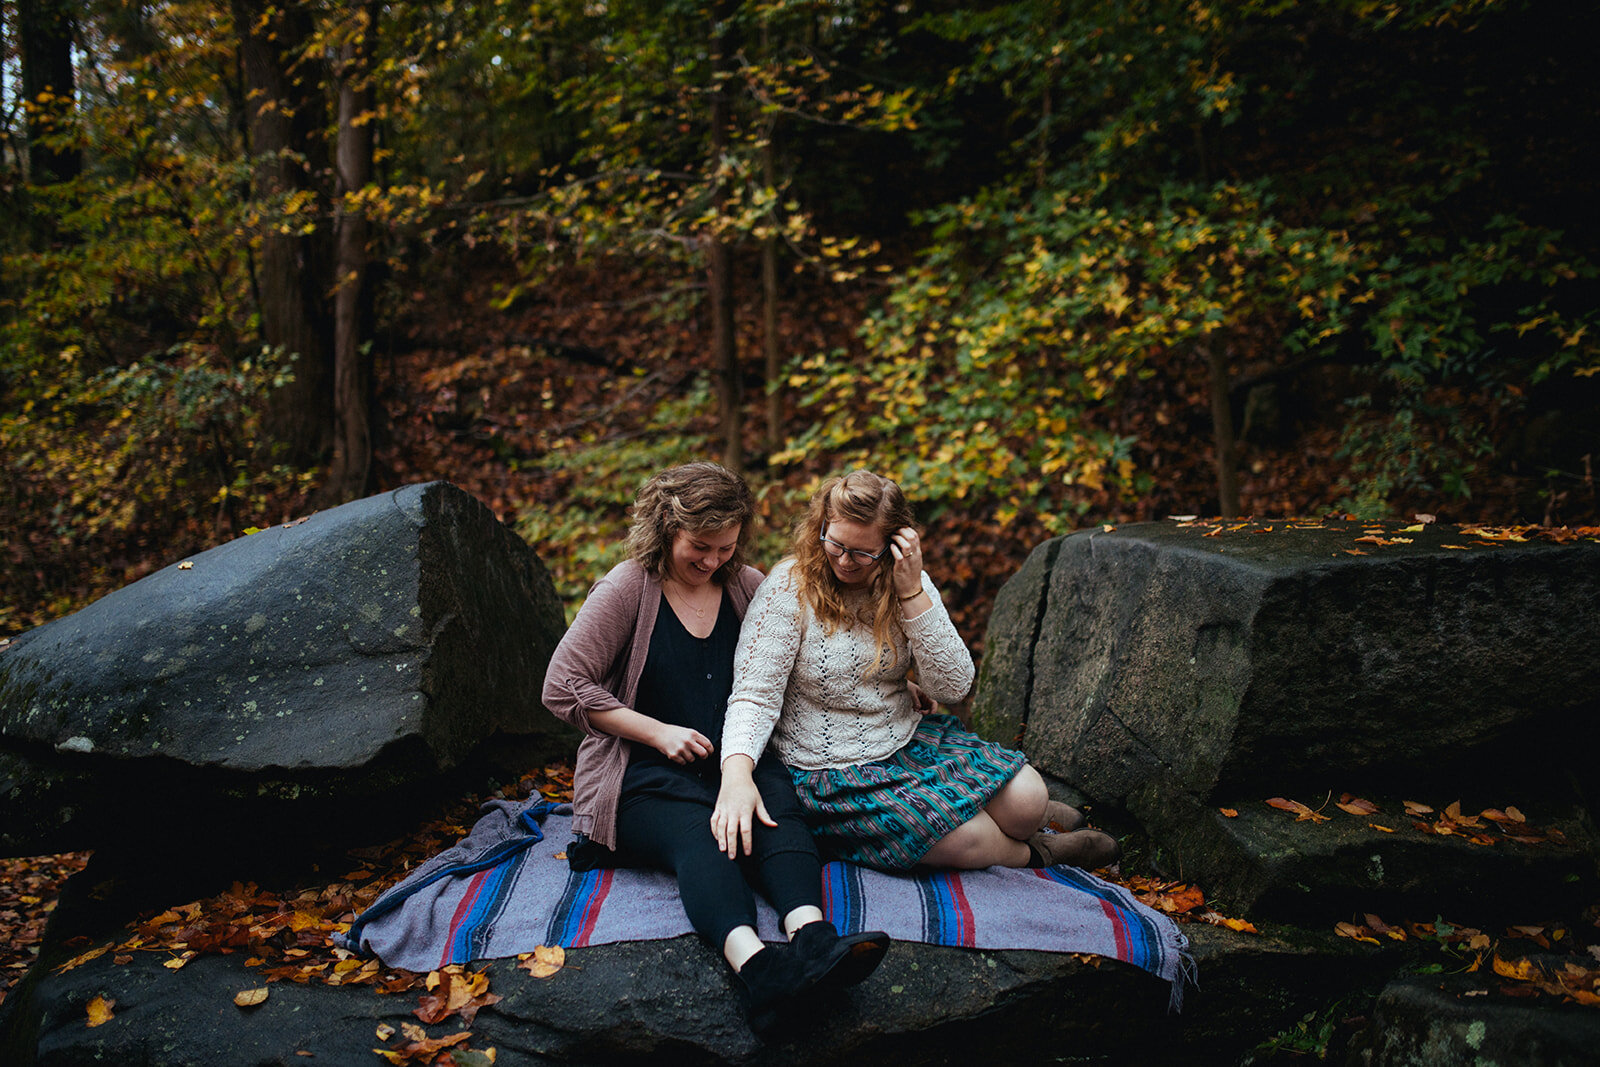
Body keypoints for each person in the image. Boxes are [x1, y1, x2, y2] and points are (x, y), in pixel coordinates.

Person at [541, 462, 888, 1030]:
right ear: (664, 530)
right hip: (640, 774)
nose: (711, 561)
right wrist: (656, 730)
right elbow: (562, 686)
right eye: (699, 547)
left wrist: (901, 686)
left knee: (777, 811)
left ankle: (814, 938)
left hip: (728, 760)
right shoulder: (629, 587)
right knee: (702, 837)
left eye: (725, 548)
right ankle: (758, 970)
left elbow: (819, 657)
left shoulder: (747, 586)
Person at [714, 469, 1120, 873]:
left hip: (903, 741)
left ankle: (1030, 820)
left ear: (894, 545)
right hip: (826, 772)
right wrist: (736, 772)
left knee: (1028, 803)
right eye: (835, 544)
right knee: (971, 838)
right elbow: (754, 694)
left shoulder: (908, 582)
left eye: (862, 552)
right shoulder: (789, 586)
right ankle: (1042, 853)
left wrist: (911, 593)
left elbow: (954, 686)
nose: (844, 560)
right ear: (821, 527)